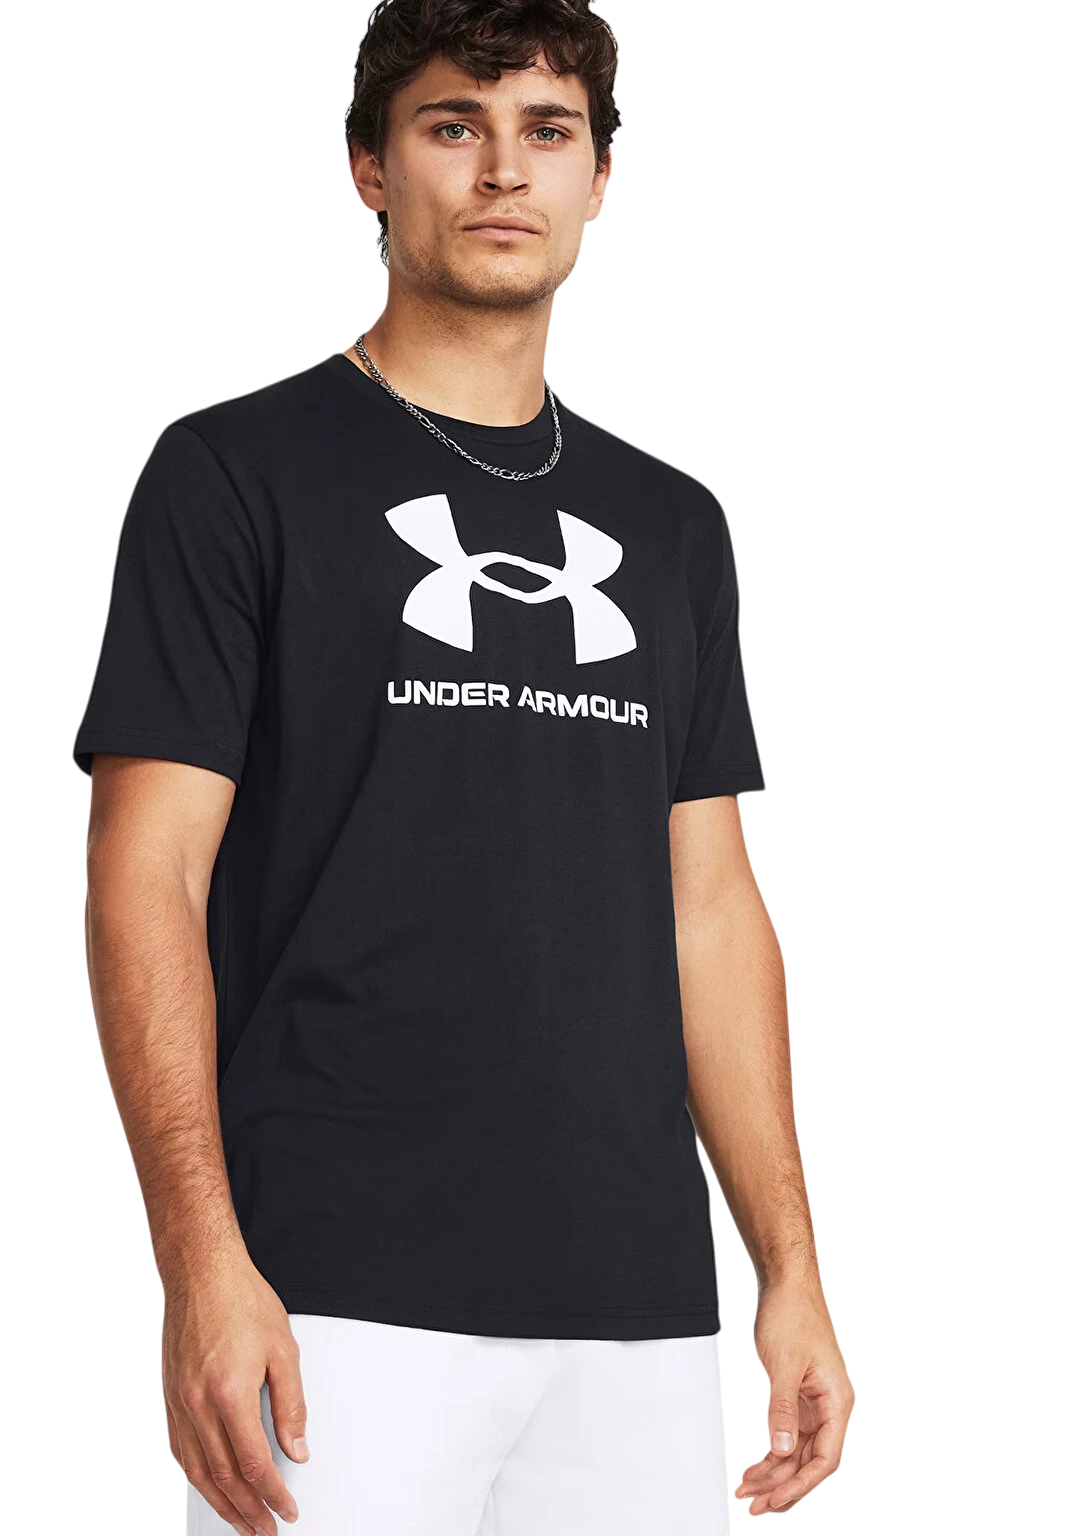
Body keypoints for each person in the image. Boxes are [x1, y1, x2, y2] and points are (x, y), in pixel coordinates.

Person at [76, 2, 851, 1530]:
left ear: (599, 183)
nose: (504, 172)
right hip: (329, 1297)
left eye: (546, 133)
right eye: (454, 127)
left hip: (633, 1318)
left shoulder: (671, 530)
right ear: (369, 168)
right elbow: (144, 870)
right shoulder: (236, 475)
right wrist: (200, 1263)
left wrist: (789, 1267)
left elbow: (708, 909)